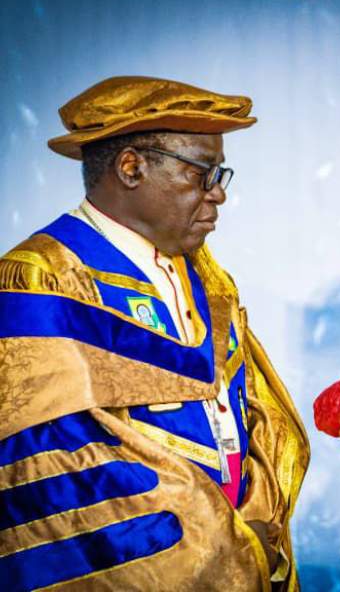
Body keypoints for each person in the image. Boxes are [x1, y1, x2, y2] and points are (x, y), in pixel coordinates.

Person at [0, 76, 309, 591]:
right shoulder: (43, 279)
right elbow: (52, 464)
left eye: (221, 174)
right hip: (147, 566)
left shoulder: (207, 278)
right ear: (131, 168)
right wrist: (216, 549)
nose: (219, 193)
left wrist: (257, 530)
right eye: (203, 173)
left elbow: (252, 412)